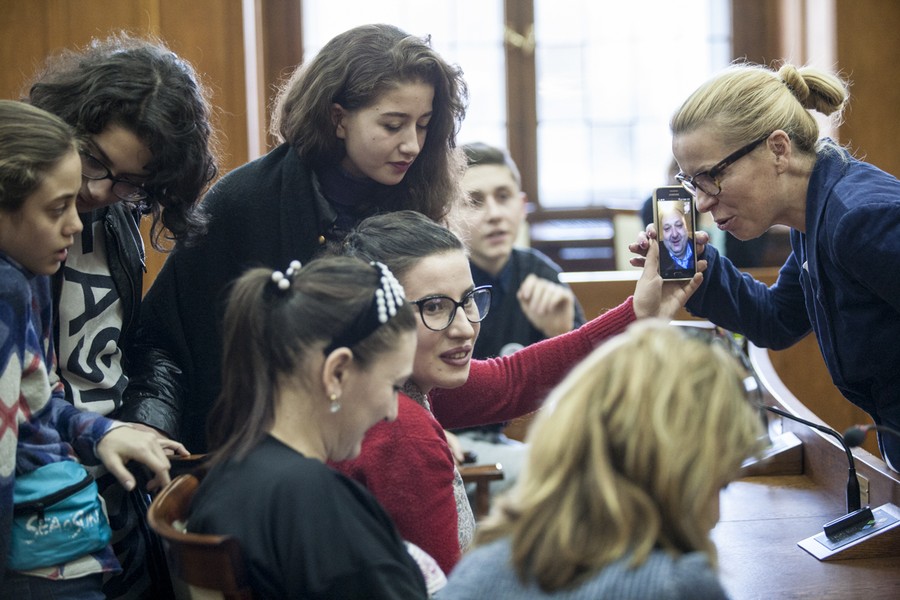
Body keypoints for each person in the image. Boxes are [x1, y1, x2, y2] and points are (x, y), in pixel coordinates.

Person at [134, 23, 469, 453]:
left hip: (378, 445)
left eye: (423, 126)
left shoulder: (418, 198)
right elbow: (165, 338)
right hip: (255, 452)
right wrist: (151, 425)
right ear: (338, 118)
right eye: (392, 125)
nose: (412, 145)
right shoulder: (242, 201)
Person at [332, 210, 704, 573]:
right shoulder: (402, 427)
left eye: (467, 300)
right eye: (434, 306)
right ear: (377, 314)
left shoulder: (371, 387)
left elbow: (513, 379)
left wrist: (640, 313)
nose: (463, 327)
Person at [630, 61, 900, 470]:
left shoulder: (857, 218)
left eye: (711, 176)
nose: (701, 202)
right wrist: (697, 269)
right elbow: (775, 319)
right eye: (691, 183)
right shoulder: (815, 218)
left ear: (778, 149)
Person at [24, 33, 216, 597]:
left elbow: (139, 344)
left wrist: (148, 420)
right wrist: (101, 431)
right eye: (95, 163)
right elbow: (27, 392)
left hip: (117, 483)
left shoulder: (118, 217)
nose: (98, 190)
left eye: (132, 181)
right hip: (45, 497)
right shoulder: (23, 231)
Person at [0, 100, 185, 598]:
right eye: (56, 207)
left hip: (64, 526)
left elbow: (39, 402)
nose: (79, 222)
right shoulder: (10, 287)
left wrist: (105, 432)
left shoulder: (29, 275)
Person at [440, 320, 764, 599]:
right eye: (718, 487)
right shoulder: (676, 585)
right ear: (676, 473)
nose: (717, 514)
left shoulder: (479, 568)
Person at [187, 257, 431, 599]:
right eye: (394, 385)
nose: (393, 413)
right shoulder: (315, 504)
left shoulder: (223, 476)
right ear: (337, 373)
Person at [451, 141, 586, 498]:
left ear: (522, 206)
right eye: (475, 201)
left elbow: (589, 400)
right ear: (447, 211)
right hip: (450, 440)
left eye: (504, 196)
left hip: (514, 443)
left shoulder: (542, 275)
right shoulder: (440, 278)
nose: (494, 214)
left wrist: (562, 334)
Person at [656, 199, 695, 278]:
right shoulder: (657, 259)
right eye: (667, 228)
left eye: (679, 225)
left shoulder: (701, 252)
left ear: (686, 228)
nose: (674, 234)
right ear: (662, 235)